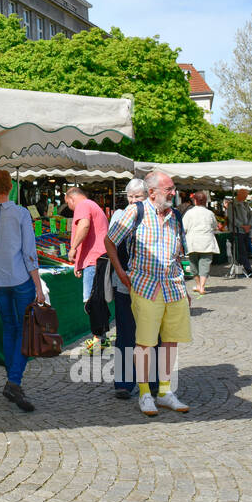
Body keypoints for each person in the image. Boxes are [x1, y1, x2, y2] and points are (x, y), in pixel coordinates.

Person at [105, 170, 192, 417]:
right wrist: (122, 273)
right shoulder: (137, 211)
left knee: (170, 341)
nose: (174, 193)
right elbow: (110, 241)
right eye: (169, 189)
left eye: (174, 188)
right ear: (152, 192)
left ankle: (164, 392)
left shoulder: (175, 216)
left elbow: (178, 255)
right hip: (145, 286)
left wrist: (185, 288)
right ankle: (145, 393)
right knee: (144, 343)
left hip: (173, 286)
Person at [0, 169, 48, 413]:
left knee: (10, 327)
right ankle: (14, 382)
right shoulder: (20, 214)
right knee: (24, 330)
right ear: (11, 186)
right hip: (18, 278)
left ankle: (12, 381)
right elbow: (30, 252)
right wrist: (38, 285)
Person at [107, 178, 159, 399]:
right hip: (125, 284)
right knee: (126, 334)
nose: (133, 201)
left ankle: (152, 381)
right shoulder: (120, 216)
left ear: (147, 196)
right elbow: (110, 243)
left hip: (150, 285)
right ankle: (124, 383)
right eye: (130, 197)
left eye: (138, 197)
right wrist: (120, 272)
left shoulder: (155, 215)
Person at [65, 187, 111, 355]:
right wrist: (78, 263)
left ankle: (98, 339)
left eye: (68, 204)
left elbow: (83, 226)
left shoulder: (83, 205)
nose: (70, 208)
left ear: (70, 199)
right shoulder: (93, 205)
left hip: (94, 260)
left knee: (92, 301)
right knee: (98, 300)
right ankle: (102, 338)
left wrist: (73, 248)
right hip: (98, 258)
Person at [182, 191, 219, 296]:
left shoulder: (189, 213)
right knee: (205, 264)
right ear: (205, 201)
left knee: (193, 264)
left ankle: (198, 285)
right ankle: (202, 286)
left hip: (193, 242)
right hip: (207, 241)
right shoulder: (210, 213)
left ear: (195, 201)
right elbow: (214, 226)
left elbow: (184, 228)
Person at [226, 188, 252, 277]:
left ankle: (243, 268)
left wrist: (249, 225)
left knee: (246, 250)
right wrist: (242, 226)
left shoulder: (246, 204)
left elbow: (250, 216)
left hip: (246, 231)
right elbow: (232, 218)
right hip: (237, 231)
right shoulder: (232, 204)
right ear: (239, 194)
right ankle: (248, 269)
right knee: (241, 251)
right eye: (245, 195)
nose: (246, 197)